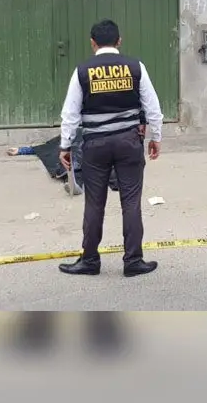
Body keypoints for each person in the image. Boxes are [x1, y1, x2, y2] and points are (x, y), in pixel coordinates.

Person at [57, 19, 164, 278]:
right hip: (129, 143)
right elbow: (152, 106)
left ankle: (90, 261)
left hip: (95, 146)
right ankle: (133, 261)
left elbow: (70, 113)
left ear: (92, 43)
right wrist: (155, 137)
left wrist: (65, 145)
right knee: (131, 202)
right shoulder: (135, 67)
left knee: (94, 204)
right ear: (119, 41)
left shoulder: (82, 71)